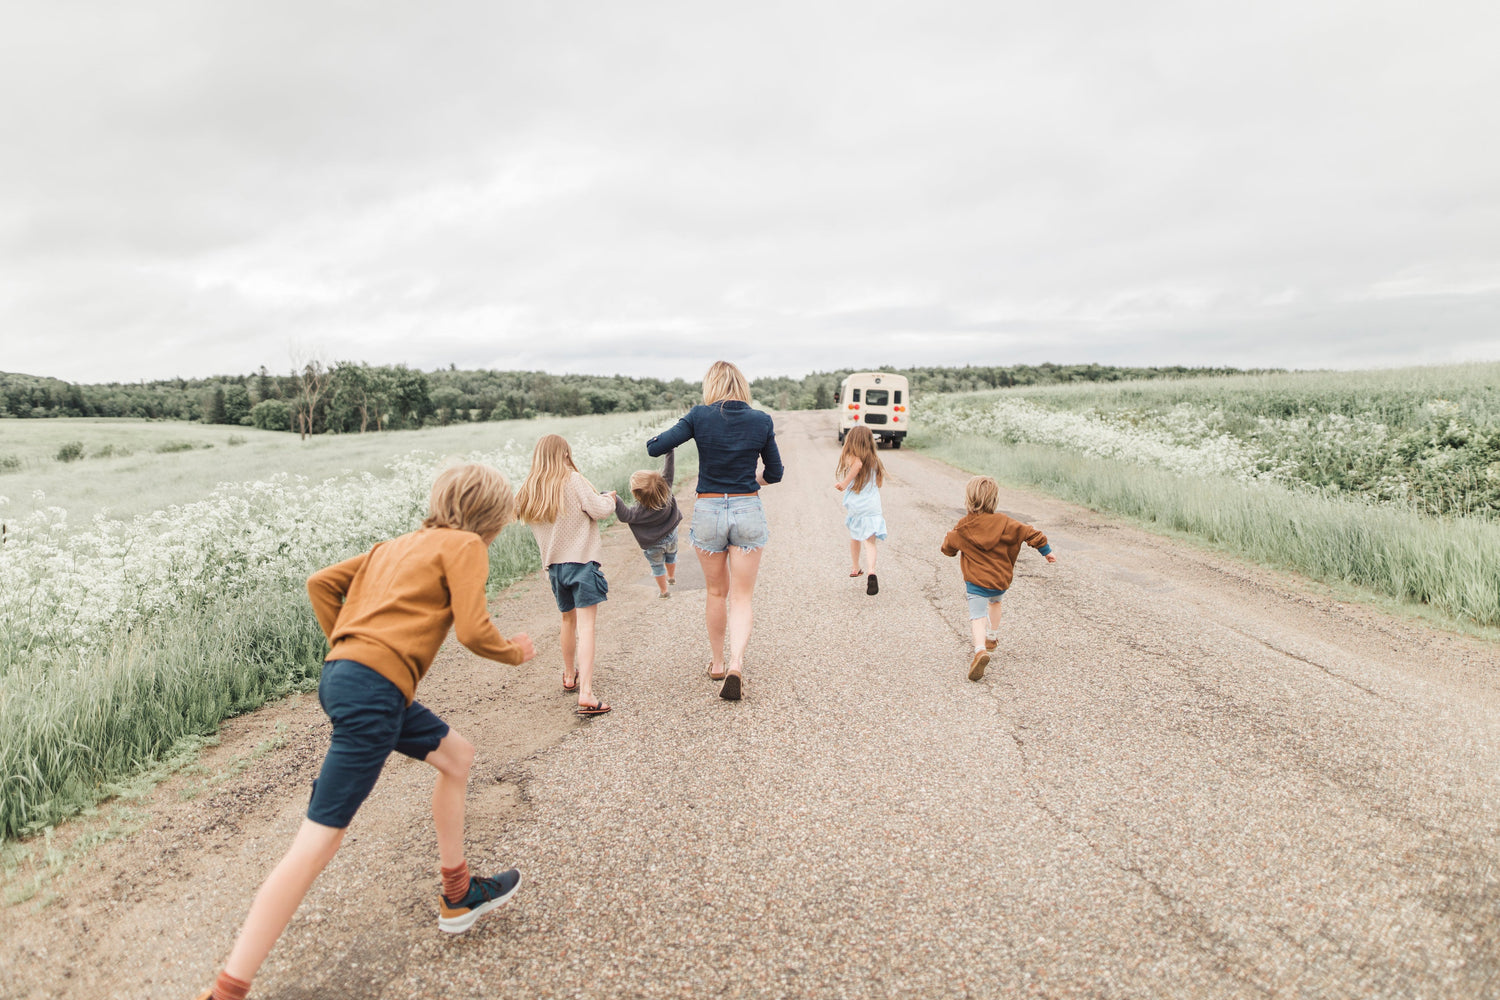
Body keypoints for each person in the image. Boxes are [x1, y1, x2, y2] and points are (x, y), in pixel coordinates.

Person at [197, 464, 536, 1000]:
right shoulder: (466, 545)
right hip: (375, 691)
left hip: (345, 678)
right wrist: (514, 652)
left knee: (457, 757)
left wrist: (353, 647)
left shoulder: (393, 546)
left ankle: (458, 892)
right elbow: (473, 630)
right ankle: (227, 990)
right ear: (492, 516)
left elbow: (322, 582)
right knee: (316, 843)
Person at [647, 360, 783, 700]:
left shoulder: (699, 415)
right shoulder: (760, 420)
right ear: (741, 386)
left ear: (711, 385)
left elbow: (655, 447)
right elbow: (776, 472)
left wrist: (676, 430)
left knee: (716, 592)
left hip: (708, 509)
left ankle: (719, 663)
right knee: (742, 596)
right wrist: (753, 481)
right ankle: (738, 662)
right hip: (748, 508)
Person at [515, 434, 615, 716]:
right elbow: (598, 510)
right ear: (564, 453)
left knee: (566, 620)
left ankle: (570, 675)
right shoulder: (573, 479)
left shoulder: (529, 488)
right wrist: (609, 499)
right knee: (587, 628)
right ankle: (586, 693)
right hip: (582, 563)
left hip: (555, 568)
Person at [940, 475, 1056, 681]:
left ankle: (979, 650)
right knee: (995, 603)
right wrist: (1046, 551)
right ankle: (992, 637)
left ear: (969, 499)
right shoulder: (1006, 523)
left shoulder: (963, 527)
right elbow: (1031, 533)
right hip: (1000, 581)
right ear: (994, 500)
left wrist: (950, 548)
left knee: (977, 616)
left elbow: (948, 547)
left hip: (976, 583)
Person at [614, 448, 683, 598]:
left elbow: (624, 516)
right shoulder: (667, 489)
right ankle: (671, 576)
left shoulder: (636, 512)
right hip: (671, 536)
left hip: (653, 545)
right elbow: (669, 469)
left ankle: (664, 591)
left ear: (636, 494)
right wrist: (669, 450)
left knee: (657, 566)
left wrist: (615, 499)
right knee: (672, 556)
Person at [833, 424, 887, 595]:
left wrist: (844, 483)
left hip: (858, 505)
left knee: (855, 536)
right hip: (872, 506)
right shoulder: (875, 461)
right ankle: (871, 570)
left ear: (852, 441)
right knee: (870, 542)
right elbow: (879, 483)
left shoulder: (853, 457)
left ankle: (856, 567)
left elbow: (857, 465)